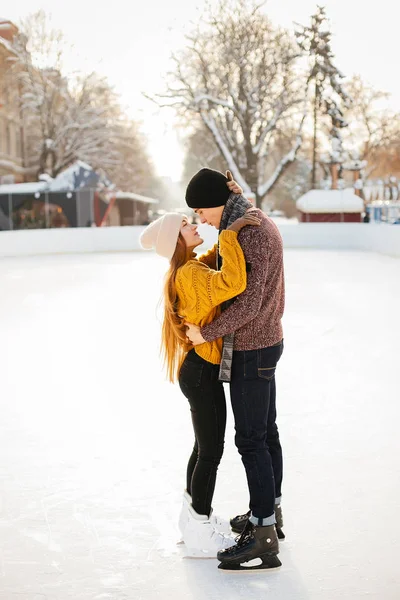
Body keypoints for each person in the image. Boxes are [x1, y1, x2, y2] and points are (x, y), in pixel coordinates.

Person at [139, 200, 261, 557]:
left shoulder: (186, 269)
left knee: (202, 449)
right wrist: (231, 234)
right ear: (176, 240)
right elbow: (233, 282)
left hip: (197, 371)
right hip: (201, 373)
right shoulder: (189, 275)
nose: (194, 225)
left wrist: (224, 241)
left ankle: (192, 519)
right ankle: (200, 528)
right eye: (185, 226)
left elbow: (210, 267)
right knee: (211, 452)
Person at [184, 168, 285, 571]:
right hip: (262, 342)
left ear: (217, 202)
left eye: (201, 211)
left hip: (253, 347)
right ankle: (270, 516)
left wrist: (204, 333)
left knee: (251, 441)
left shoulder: (251, 233)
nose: (200, 220)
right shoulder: (246, 224)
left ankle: (262, 535)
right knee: (266, 433)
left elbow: (248, 304)